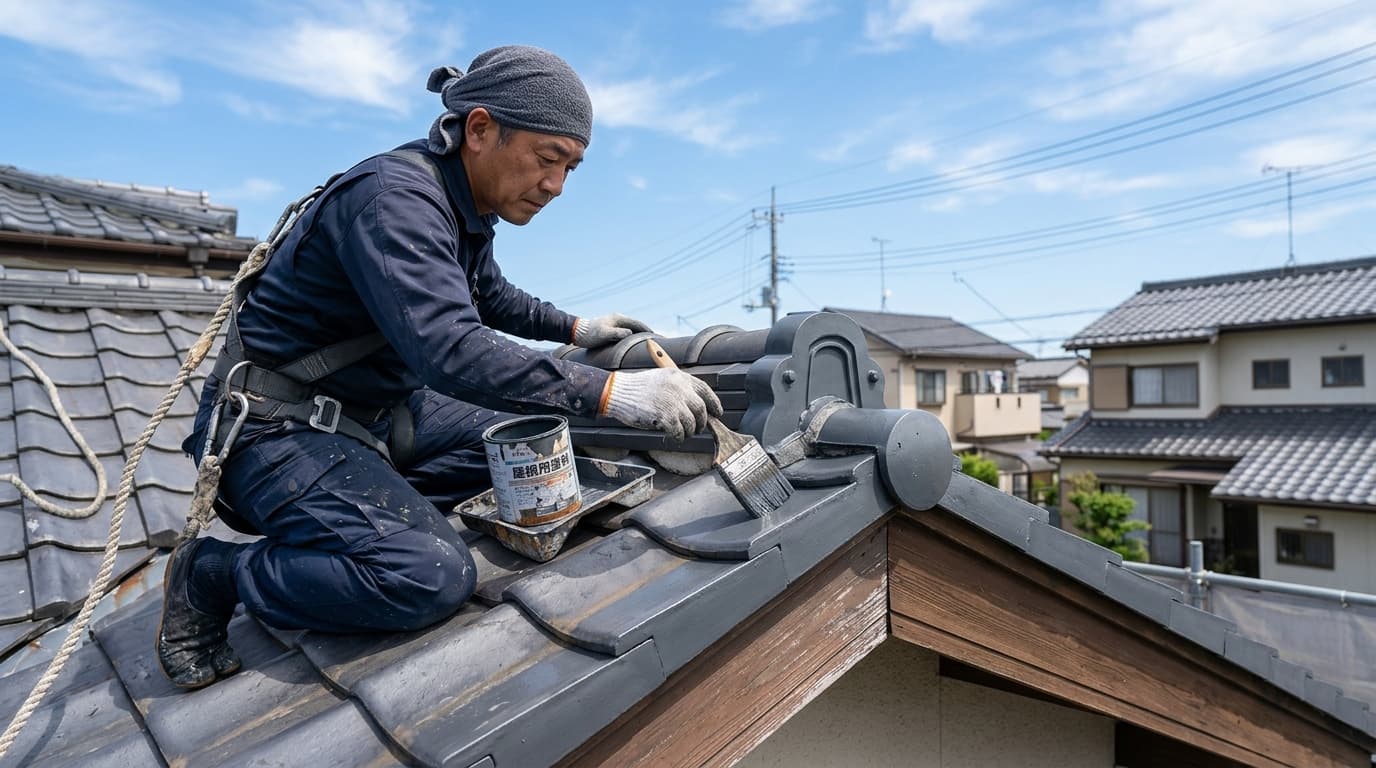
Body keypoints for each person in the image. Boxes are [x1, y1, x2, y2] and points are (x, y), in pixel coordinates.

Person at [158, 45, 722, 689]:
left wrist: (575, 329)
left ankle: (367, 517)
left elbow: (488, 295)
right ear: (479, 129)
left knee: (534, 450)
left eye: (570, 167)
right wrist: (612, 391)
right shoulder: (394, 200)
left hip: (375, 414)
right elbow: (448, 349)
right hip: (275, 427)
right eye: (547, 159)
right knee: (428, 576)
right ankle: (215, 572)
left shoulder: (463, 203)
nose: (556, 186)